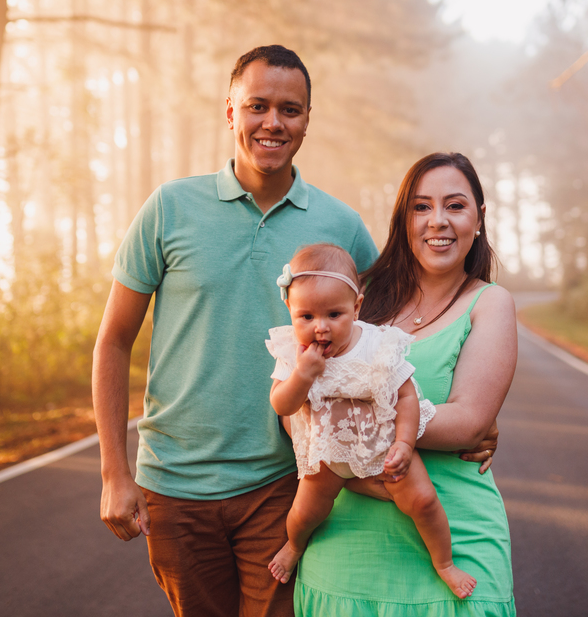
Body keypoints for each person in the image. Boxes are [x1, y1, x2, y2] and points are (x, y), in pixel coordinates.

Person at [92, 45, 379, 617]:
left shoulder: (341, 226)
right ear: (230, 112)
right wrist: (113, 473)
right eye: (258, 106)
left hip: (283, 482)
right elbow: (114, 340)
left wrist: (462, 415)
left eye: (290, 110)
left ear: (306, 121)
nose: (274, 122)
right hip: (173, 484)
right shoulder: (170, 208)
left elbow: (393, 334)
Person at [294, 152, 519, 616]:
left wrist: (347, 419)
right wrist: (400, 420)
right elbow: (296, 395)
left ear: (479, 216)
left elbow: (469, 422)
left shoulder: (490, 304)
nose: (438, 221)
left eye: (455, 206)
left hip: (457, 531)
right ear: (403, 219)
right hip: (348, 539)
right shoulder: (357, 296)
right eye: (421, 207)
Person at [265, 243, 477, 599]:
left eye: (334, 315)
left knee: (423, 502)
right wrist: (303, 375)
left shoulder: (377, 346)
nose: (320, 328)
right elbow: (281, 405)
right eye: (307, 317)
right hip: (328, 456)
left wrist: (404, 444)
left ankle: (445, 564)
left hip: (382, 448)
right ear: (290, 309)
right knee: (303, 513)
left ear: (356, 306)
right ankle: (294, 545)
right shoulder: (293, 353)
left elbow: (407, 396)